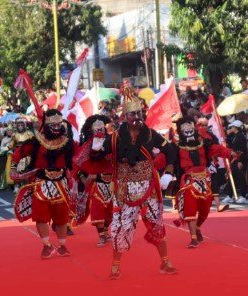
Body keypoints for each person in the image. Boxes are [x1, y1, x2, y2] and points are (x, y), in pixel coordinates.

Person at [88, 87, 177, 279]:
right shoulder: (114, 138)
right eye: (132, 114)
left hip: (149, 187)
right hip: (124, 189)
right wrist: (95, 148)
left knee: (156, 224)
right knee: (121, 227)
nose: (136, 117)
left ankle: (165, 260)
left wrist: (168, 173)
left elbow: (170, 151)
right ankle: (115, 265)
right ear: (124, 116)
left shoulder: (151, 135)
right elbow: (97, 156)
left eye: (138, 113)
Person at [11, 109, 75, 259]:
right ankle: (46, 246)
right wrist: (14, 169)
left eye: (59, 124)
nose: (57, 127)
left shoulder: (68, 142)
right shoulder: (36, 142)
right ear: (46, 125)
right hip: (41, 184)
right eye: (53, 124)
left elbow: (81, 154)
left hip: (61, 184)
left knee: (62, 218)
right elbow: (18, 154)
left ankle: (62, 245)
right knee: (41, 217)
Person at [173, 116, 235, 248]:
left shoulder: (203, 143)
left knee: (205, 209)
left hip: (204, 178)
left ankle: (198, 227)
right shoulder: (176, 145)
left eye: (190, 127)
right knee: (190, 208)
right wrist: (167, 173)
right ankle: (193, 238)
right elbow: (168, 159)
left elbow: (217, 149)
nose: (188, 130)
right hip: (189, 180)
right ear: (180, 131)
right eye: (185, 128)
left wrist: (230, 152)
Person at [76, 114, 113, 247]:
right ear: (91, 130)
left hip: (113, 181)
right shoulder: (87, 144)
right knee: (97, 209)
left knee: (111, 211)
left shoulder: (112, 141)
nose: (99, 131)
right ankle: (102, 235)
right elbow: (78, 163)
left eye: (102, 128)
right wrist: (83, 177)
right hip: (97, 182)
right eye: (96, 129)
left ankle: (106, 232)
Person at [222, 120, 248, 204]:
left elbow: (242, 149)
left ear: (236, 128)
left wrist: (240, 161)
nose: (231, 128)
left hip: (240, 160)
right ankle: (229, 195)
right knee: (231, 177)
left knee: (241, 178)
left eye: (232, 127)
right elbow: (231, 146)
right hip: (235, 159)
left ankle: (243, 196)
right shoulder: (235, 136)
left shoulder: (241, 136)